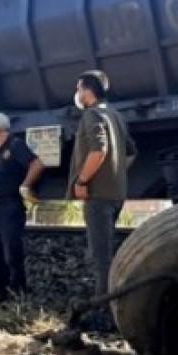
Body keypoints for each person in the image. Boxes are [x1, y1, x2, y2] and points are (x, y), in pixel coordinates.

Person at [67, 70, 136, 327]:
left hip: (97, 195)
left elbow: (99, 149)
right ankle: (108, 309)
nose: (76, 94)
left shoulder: (92, 114)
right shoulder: (115, 115)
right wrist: (114, 174)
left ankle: (104, 316)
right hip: (116, 194)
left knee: (101, 257)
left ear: (88, 90)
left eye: (78, 88)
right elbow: (130, 152)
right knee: (107, 253)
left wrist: (83, 180)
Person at [0, 112, 44, 302]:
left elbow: (36, 164)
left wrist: (25, 185)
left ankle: (18, 296)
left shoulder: (15, 145)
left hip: (11, 207)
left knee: (12, 255)